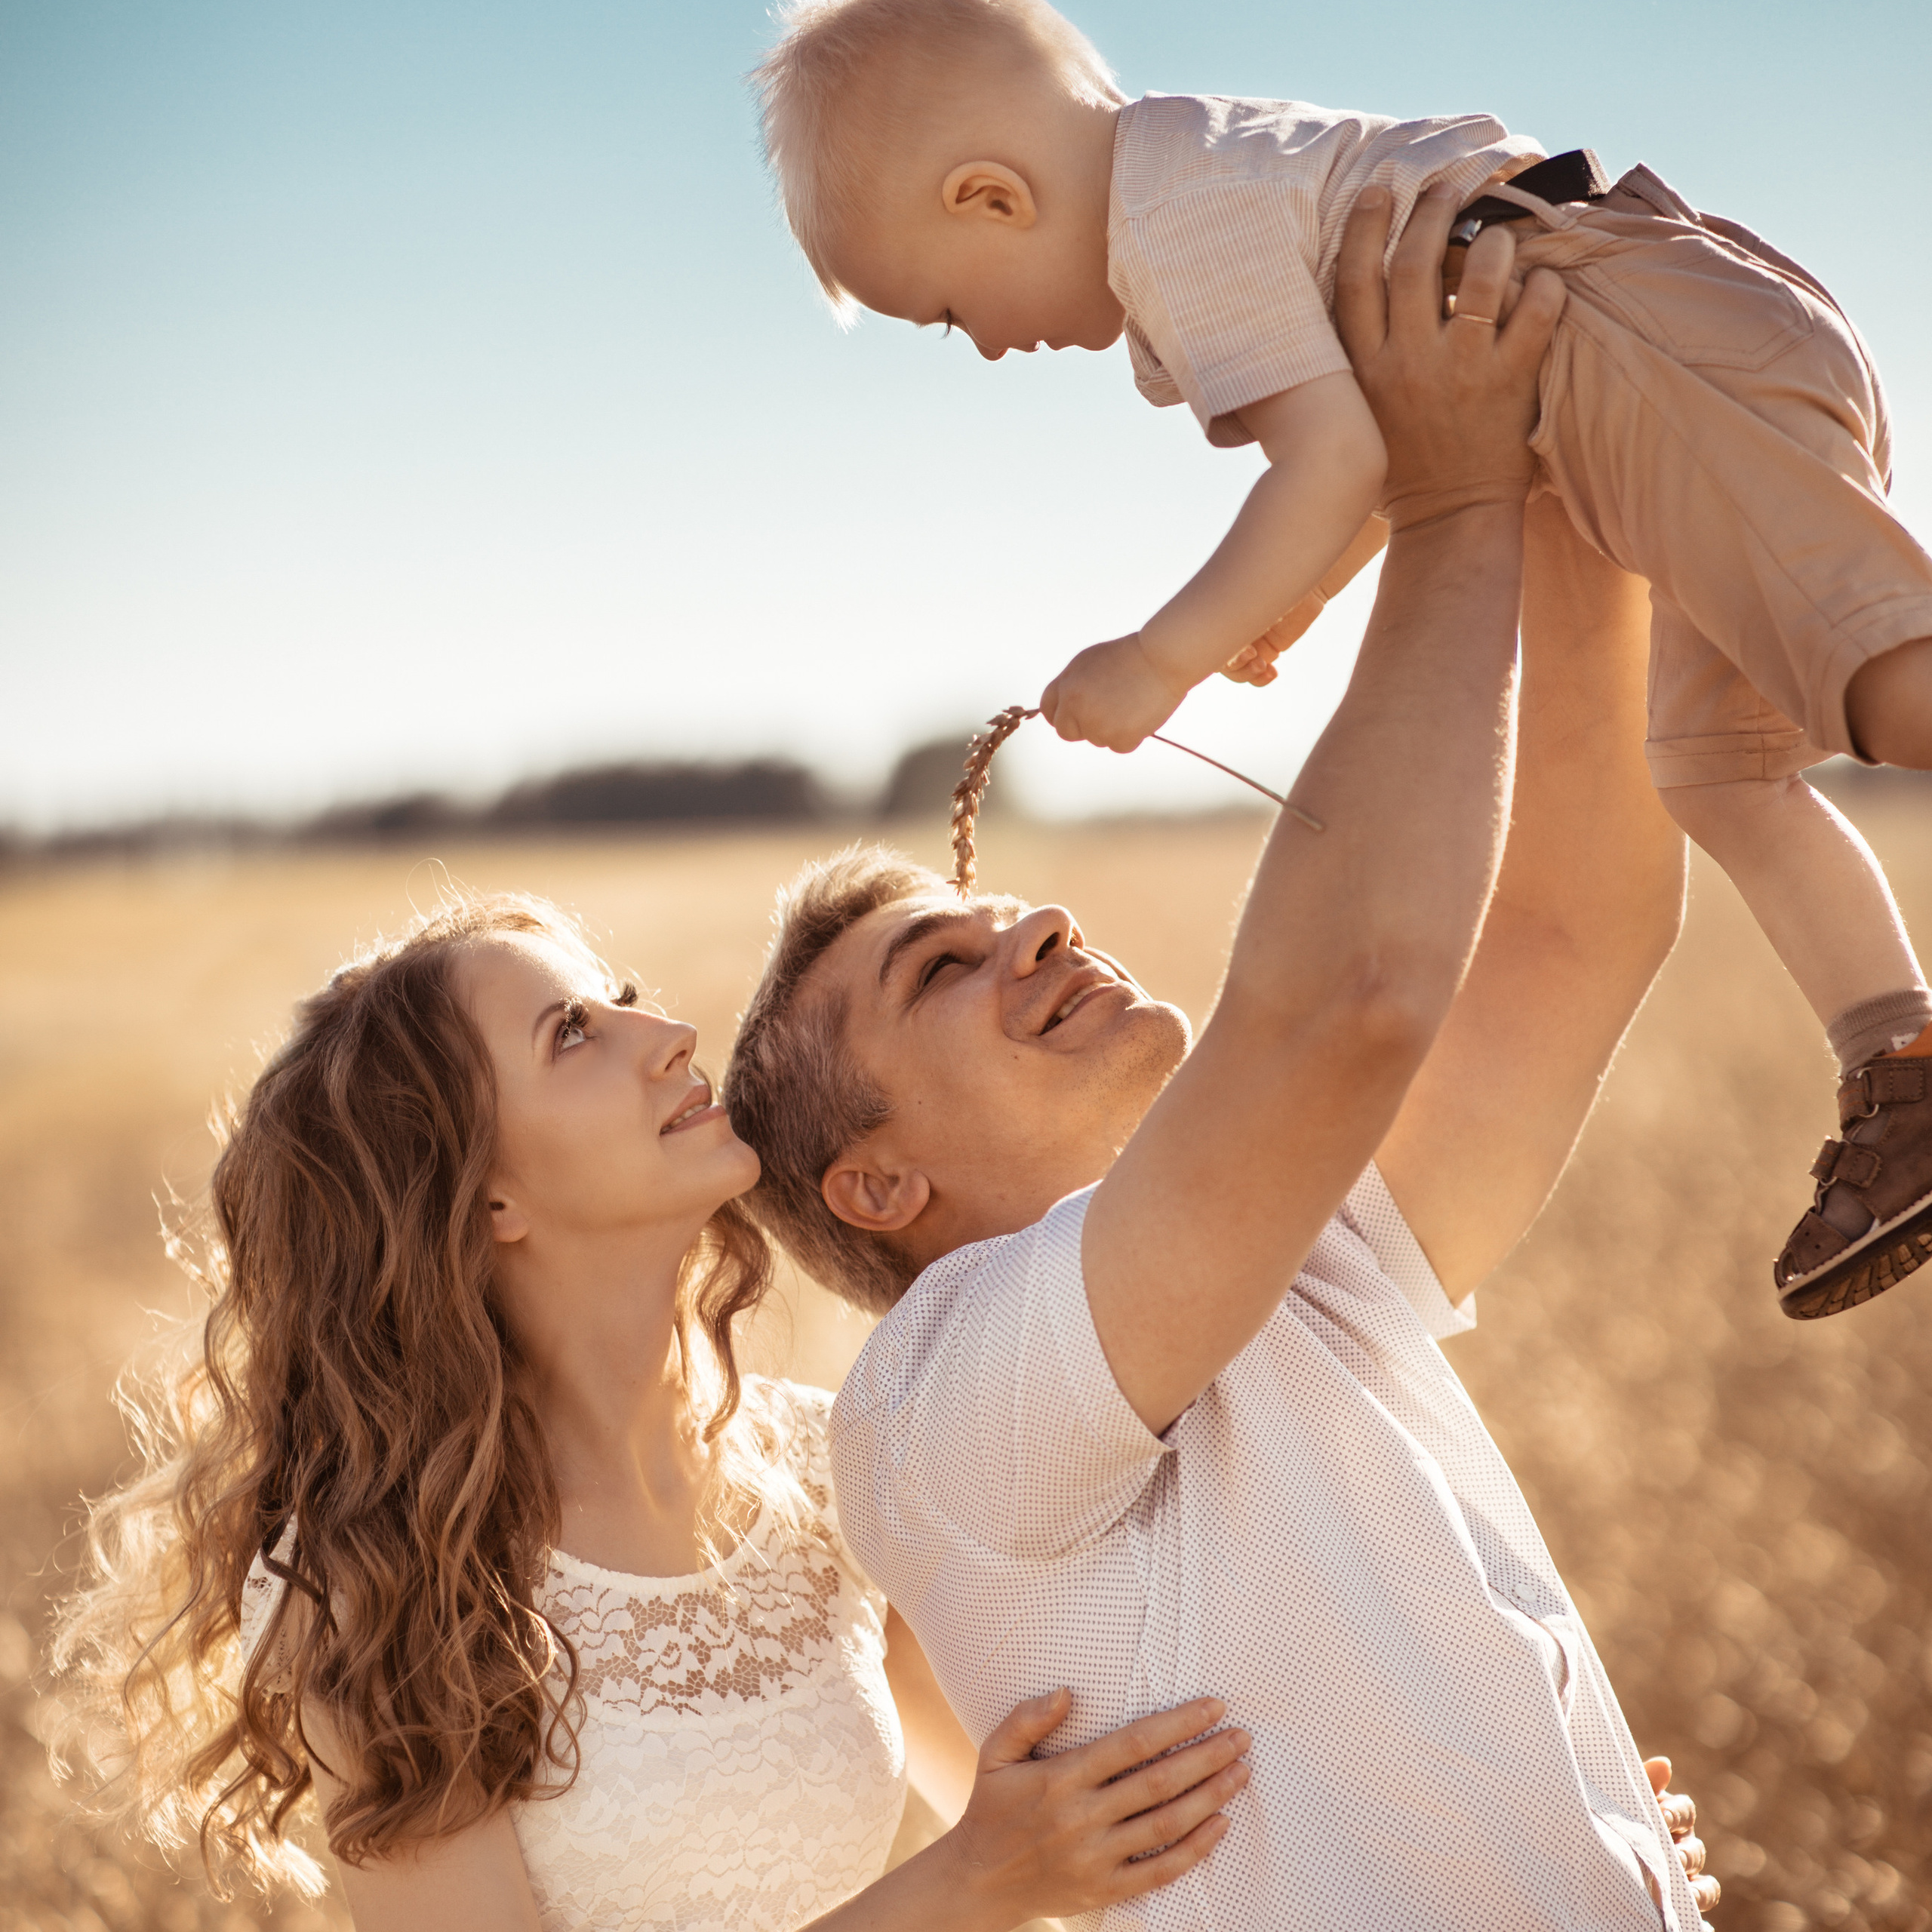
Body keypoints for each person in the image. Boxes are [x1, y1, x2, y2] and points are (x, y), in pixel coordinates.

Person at [722, 189, 1720, 1927]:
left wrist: (1564, 467)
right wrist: (1451, 492)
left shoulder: (1294, 1254)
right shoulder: (938, 1403)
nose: (1039, 927)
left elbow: (1574, 931)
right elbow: (1346, 1005)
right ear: (874, 1181)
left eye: (1013, 912)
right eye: (941, 967)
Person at [751, 0, 1932, 1318]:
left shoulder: (1176, 226)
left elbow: (1339, 458)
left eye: (948, 310)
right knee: (1719, 778)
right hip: (1612, 348)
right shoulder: (1205, 184)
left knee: (1888, 684)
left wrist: (1159, 658)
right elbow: (1391, 433)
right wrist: (1308, 586)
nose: (981, 344)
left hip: (1626, 334)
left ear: (991, 197)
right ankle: (1901, 1058)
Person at [48, 893, 1253, 1932]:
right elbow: (994, 1863)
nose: (670, 1034)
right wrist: (968, 1883)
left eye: (620, 998)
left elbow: (1045, 1825)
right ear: (485, 1198)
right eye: (572, 1033)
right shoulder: (378, 1578)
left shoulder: (822, 1468)